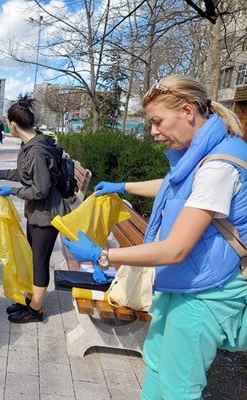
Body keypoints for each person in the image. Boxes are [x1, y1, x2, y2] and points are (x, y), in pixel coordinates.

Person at [63, 74, 247, 399]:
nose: (152, 131)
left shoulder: (220, 165)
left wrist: (103, 255)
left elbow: (176, 249)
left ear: (188, 111)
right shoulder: (203, 152)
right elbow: (175, 186)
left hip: (204, 294)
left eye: (158, 121)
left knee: (178, 387)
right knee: (157, 365)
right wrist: (124, 187)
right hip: (184, 284)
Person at [0, 95, 71, 323]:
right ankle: (31, 298)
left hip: (47, 213)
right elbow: (26, 175)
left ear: (12, 125)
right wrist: (1, 174)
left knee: (39, 261)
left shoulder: (36, 151)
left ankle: (36, 310)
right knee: (32, 256)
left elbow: (40, 189)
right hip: (37, 211)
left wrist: (12, 192)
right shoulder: (30, 144)